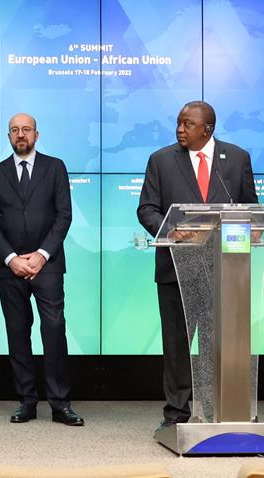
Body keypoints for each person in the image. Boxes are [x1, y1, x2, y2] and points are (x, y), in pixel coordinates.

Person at [137, 101, 256, 429]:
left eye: (187, 124)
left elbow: (249, 208)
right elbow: (147, 208)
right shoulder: (161, 160)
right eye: (178, 122)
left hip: (224, 270)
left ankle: (217, 411)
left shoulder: (237, 158)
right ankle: (176, 414)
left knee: (215, 344)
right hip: (176, 269)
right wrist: (170, 230)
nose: (179, 129)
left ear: (208, 129)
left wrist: (248, 228)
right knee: (177, 346)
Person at [0, 113, 83, 426]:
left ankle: (60, 404)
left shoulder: (55, 167)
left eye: (26, 129)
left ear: (36, 135)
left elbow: (64, 216)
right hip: (9, 267)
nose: (20, 135)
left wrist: (41, 255)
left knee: (54, 331)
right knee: (17, 333)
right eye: (15, 130)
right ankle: (26, 401)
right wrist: (12, 258)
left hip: (47, 265)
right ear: (9, 137)